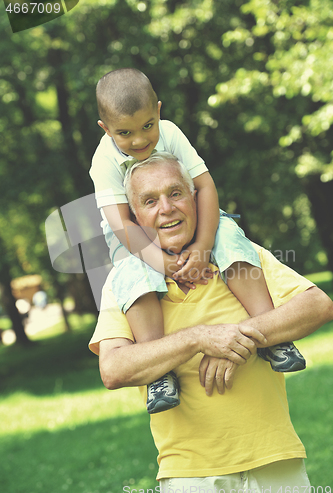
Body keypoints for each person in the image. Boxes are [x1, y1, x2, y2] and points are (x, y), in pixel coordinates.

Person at [89, 153, 333, 493]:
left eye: (176, 193)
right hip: (191, 478)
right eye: (150, 201)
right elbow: (113, 369)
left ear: (195, 200)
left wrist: (236, 340)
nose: (166, 208)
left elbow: (317, 305)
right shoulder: (125, 281)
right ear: (136, 219)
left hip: (276, 460)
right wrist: (200, 339)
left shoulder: (239, 254)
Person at [89, 68, 305, 414]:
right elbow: (120, 222)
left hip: (186, 216)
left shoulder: (171, 133)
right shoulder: (104, 160)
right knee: (133, 274)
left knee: (229, 233)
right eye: (124, 134)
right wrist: (161, 263)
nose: (140, 140)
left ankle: (272, 335)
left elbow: (204, 187)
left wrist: (203, 247)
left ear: (158, 111)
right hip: (130, 234)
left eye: (148, 126)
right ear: (105, 129)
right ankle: (159, 371)